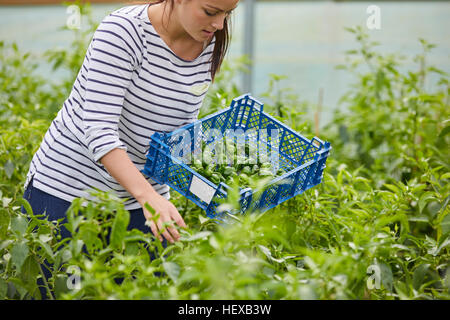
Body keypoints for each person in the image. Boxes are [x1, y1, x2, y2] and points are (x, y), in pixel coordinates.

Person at [22, 0, 239, 246]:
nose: (220, 24)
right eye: (211, 12)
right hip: (69, 193)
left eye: (228, 13)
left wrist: (217, 190)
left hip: (143, 200)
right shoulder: (124, 31)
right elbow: (99, 130)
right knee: (63, 283)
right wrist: (149, 198)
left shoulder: (208, 40)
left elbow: (178, 130)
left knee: (146, 282)